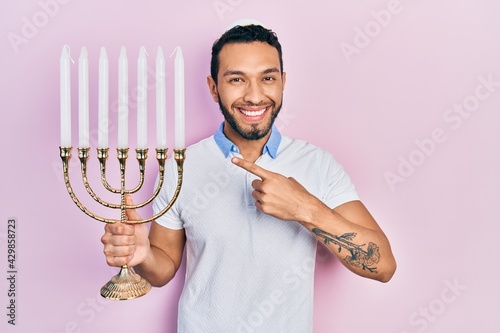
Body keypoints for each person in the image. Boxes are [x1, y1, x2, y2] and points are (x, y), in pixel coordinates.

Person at [101, 23, 396, 332]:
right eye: (237, 79)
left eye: (267, 78)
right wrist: (144, 255)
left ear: (282, 83)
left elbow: (383, 266)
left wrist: (303, 208)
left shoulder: (319, 164)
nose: (254, 96)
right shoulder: (180, 166)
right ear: (214, 87)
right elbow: (162, 270)